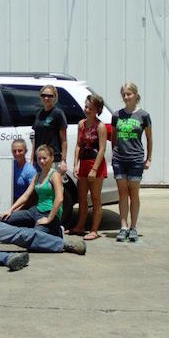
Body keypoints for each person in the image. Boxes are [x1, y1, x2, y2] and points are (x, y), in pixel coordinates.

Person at [111, 82, 152, 243]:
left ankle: (133, 227)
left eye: (129, 94)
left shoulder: (143, 115)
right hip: (119, 159)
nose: (126, 97)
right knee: (122, 193)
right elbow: (114, 137)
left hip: (135, 159)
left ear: (135, 95)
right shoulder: (117, 115)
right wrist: (115, 154)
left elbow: (149, 138)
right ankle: (123, 226)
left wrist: (148, 158)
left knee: (133, 193)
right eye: (124, 94)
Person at [0, 144, 64, 237]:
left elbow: (59, 199)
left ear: (52, 158)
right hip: (35, 211)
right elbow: (26, 195)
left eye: (44, 158)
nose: (42, 161)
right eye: (39, 158)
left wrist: (49, 219)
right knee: (5, 219)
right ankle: (35, 228)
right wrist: (10, 210)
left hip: (49, 213)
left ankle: (57, 231)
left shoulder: (55, 175)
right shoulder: (37, 175)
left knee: (34, 237)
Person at [69, 94, 108, 240]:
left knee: (96, 198)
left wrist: (94, 169)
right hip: (83, 163)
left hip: (95, 164)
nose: (87, 110)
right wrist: (76, 164)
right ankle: (80, 226)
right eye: (86, 107)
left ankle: (94, 230)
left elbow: (102, 149)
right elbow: (79, 145)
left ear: (97, 109)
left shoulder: (100, 126)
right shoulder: (81, 124)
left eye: (91, 108)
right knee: (82, 197)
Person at [32, 84, 68, 175]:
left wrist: (63, 161)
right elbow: (35, 138)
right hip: (39, 159)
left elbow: (64, 140)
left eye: (49, 96)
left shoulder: (58, 113)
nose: (46, 98)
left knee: (52, 187)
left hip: (53, 159)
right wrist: (32, 158)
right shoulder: (39, 114)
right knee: (40, 187)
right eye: (44, 95)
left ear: (55, 97)